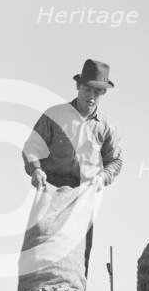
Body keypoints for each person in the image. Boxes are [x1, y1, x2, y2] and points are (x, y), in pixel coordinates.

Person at [22, 58, 123, 275]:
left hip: (84, 194)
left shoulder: (106, 127)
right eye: (88, 89)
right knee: (42, 239)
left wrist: (102, 177)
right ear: (78, 86)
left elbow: (115, 161)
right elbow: (32, 147)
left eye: (98, 92)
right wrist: (36, 169)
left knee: (79, 249)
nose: (92, 96)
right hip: (51, 190)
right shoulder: (54, 116)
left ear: (103, 94)